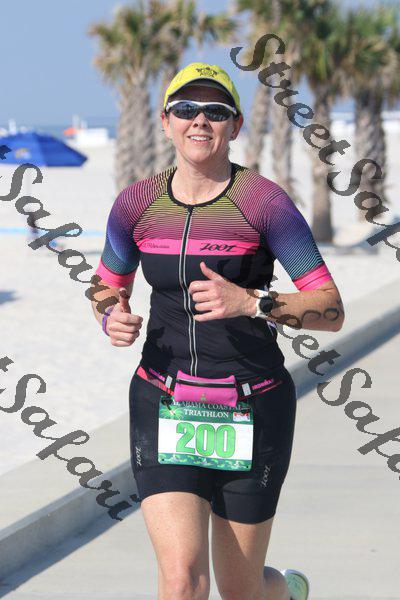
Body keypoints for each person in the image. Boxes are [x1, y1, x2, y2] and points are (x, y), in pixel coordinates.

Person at [91, 62, 345, 600]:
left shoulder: (264, 203)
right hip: (164, 399)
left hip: (251, 403)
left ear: (235, 125)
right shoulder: (136, 204)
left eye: (216, 110)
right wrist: (112, 314)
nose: (200, 120)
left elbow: (330, 308)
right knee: (181, 581)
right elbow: (105, 285)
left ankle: (284, 591)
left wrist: (253, 302)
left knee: (240, 590)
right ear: (166, 122)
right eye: (186, 109)